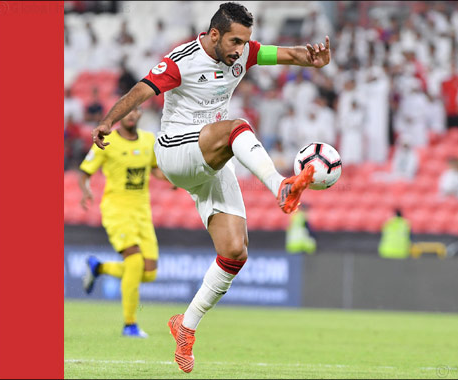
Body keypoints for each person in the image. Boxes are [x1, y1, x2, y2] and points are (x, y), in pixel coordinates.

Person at [90, 2, 330, 373]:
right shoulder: (181, 60)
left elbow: (287, 54)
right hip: (174, 151)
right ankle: (280, 185)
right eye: (234, 40)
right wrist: (108, 121)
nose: (240, 49)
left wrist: (311, 59)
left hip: (210, 155)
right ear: (213, 34)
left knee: (235, 252)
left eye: (245, 42)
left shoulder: (244, 52)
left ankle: (185, 328)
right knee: (237, 127)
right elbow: (142, 89)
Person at [80, 107, 170, 338]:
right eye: (126, 112)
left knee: (149, 273)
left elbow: (154, 169)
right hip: (116, 210)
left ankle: (98, 267)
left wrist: (172, 180)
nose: (131, 115)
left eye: (135, 111)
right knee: (134, 260)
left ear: (140, 113)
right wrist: (85, 190)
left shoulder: (149, 140)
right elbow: (85, 172)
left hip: (142, 213)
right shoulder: (107, 141)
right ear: (120, 116)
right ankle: (129, 324)